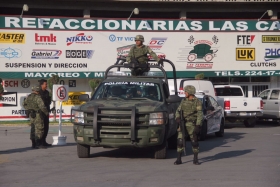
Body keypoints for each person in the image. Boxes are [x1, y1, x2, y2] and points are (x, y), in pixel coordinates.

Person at [174, 85, 203, 165]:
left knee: (194, 142)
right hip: (183, 123)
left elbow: (200, 114)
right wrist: (177, 118)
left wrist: (198, 125)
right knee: (180, 141)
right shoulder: (183, 101)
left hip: (192, 124)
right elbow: (178, 111)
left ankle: (195, 159)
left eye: (186, 91)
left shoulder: (197, 102)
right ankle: (179, 159)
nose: (184, 93)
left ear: (190, 92)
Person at [23, 84, 49, 149]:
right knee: (39, 129)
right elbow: (42, 106)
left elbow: (23, 104)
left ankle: (33, 144)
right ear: (38, 90)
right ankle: (38, 144)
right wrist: (46, 113)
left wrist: (29, 109)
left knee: (33, 128)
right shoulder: (38, 97)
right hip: (37, 115)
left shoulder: (29, 96)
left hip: (31, 115)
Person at [39, 79, 52, 146]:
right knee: (41, 128)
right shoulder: (38, 92)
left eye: (46, 84)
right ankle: (40, 142)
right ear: (41, 85)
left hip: (46, 112)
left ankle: (44, 141)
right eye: (45, 84)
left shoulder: (47, 92)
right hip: (40, 113)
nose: (46, 85)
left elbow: (48, 101)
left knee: (46, 127)